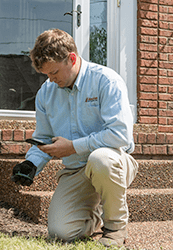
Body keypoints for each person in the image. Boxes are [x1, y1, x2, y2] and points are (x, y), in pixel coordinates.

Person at [11, 28, 138, 247]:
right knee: (61, 233)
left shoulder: (106, 81)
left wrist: (73, 147)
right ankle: (96, 210)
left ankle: (115, 228)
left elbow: (121, 135)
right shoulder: (46, 92)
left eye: (55, 72)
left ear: (71, 58)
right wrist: (31, 163)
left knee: (100, 160)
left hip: (113, 162)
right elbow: (43, 136)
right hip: (74, 170)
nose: (51, 80)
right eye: (47, 75)